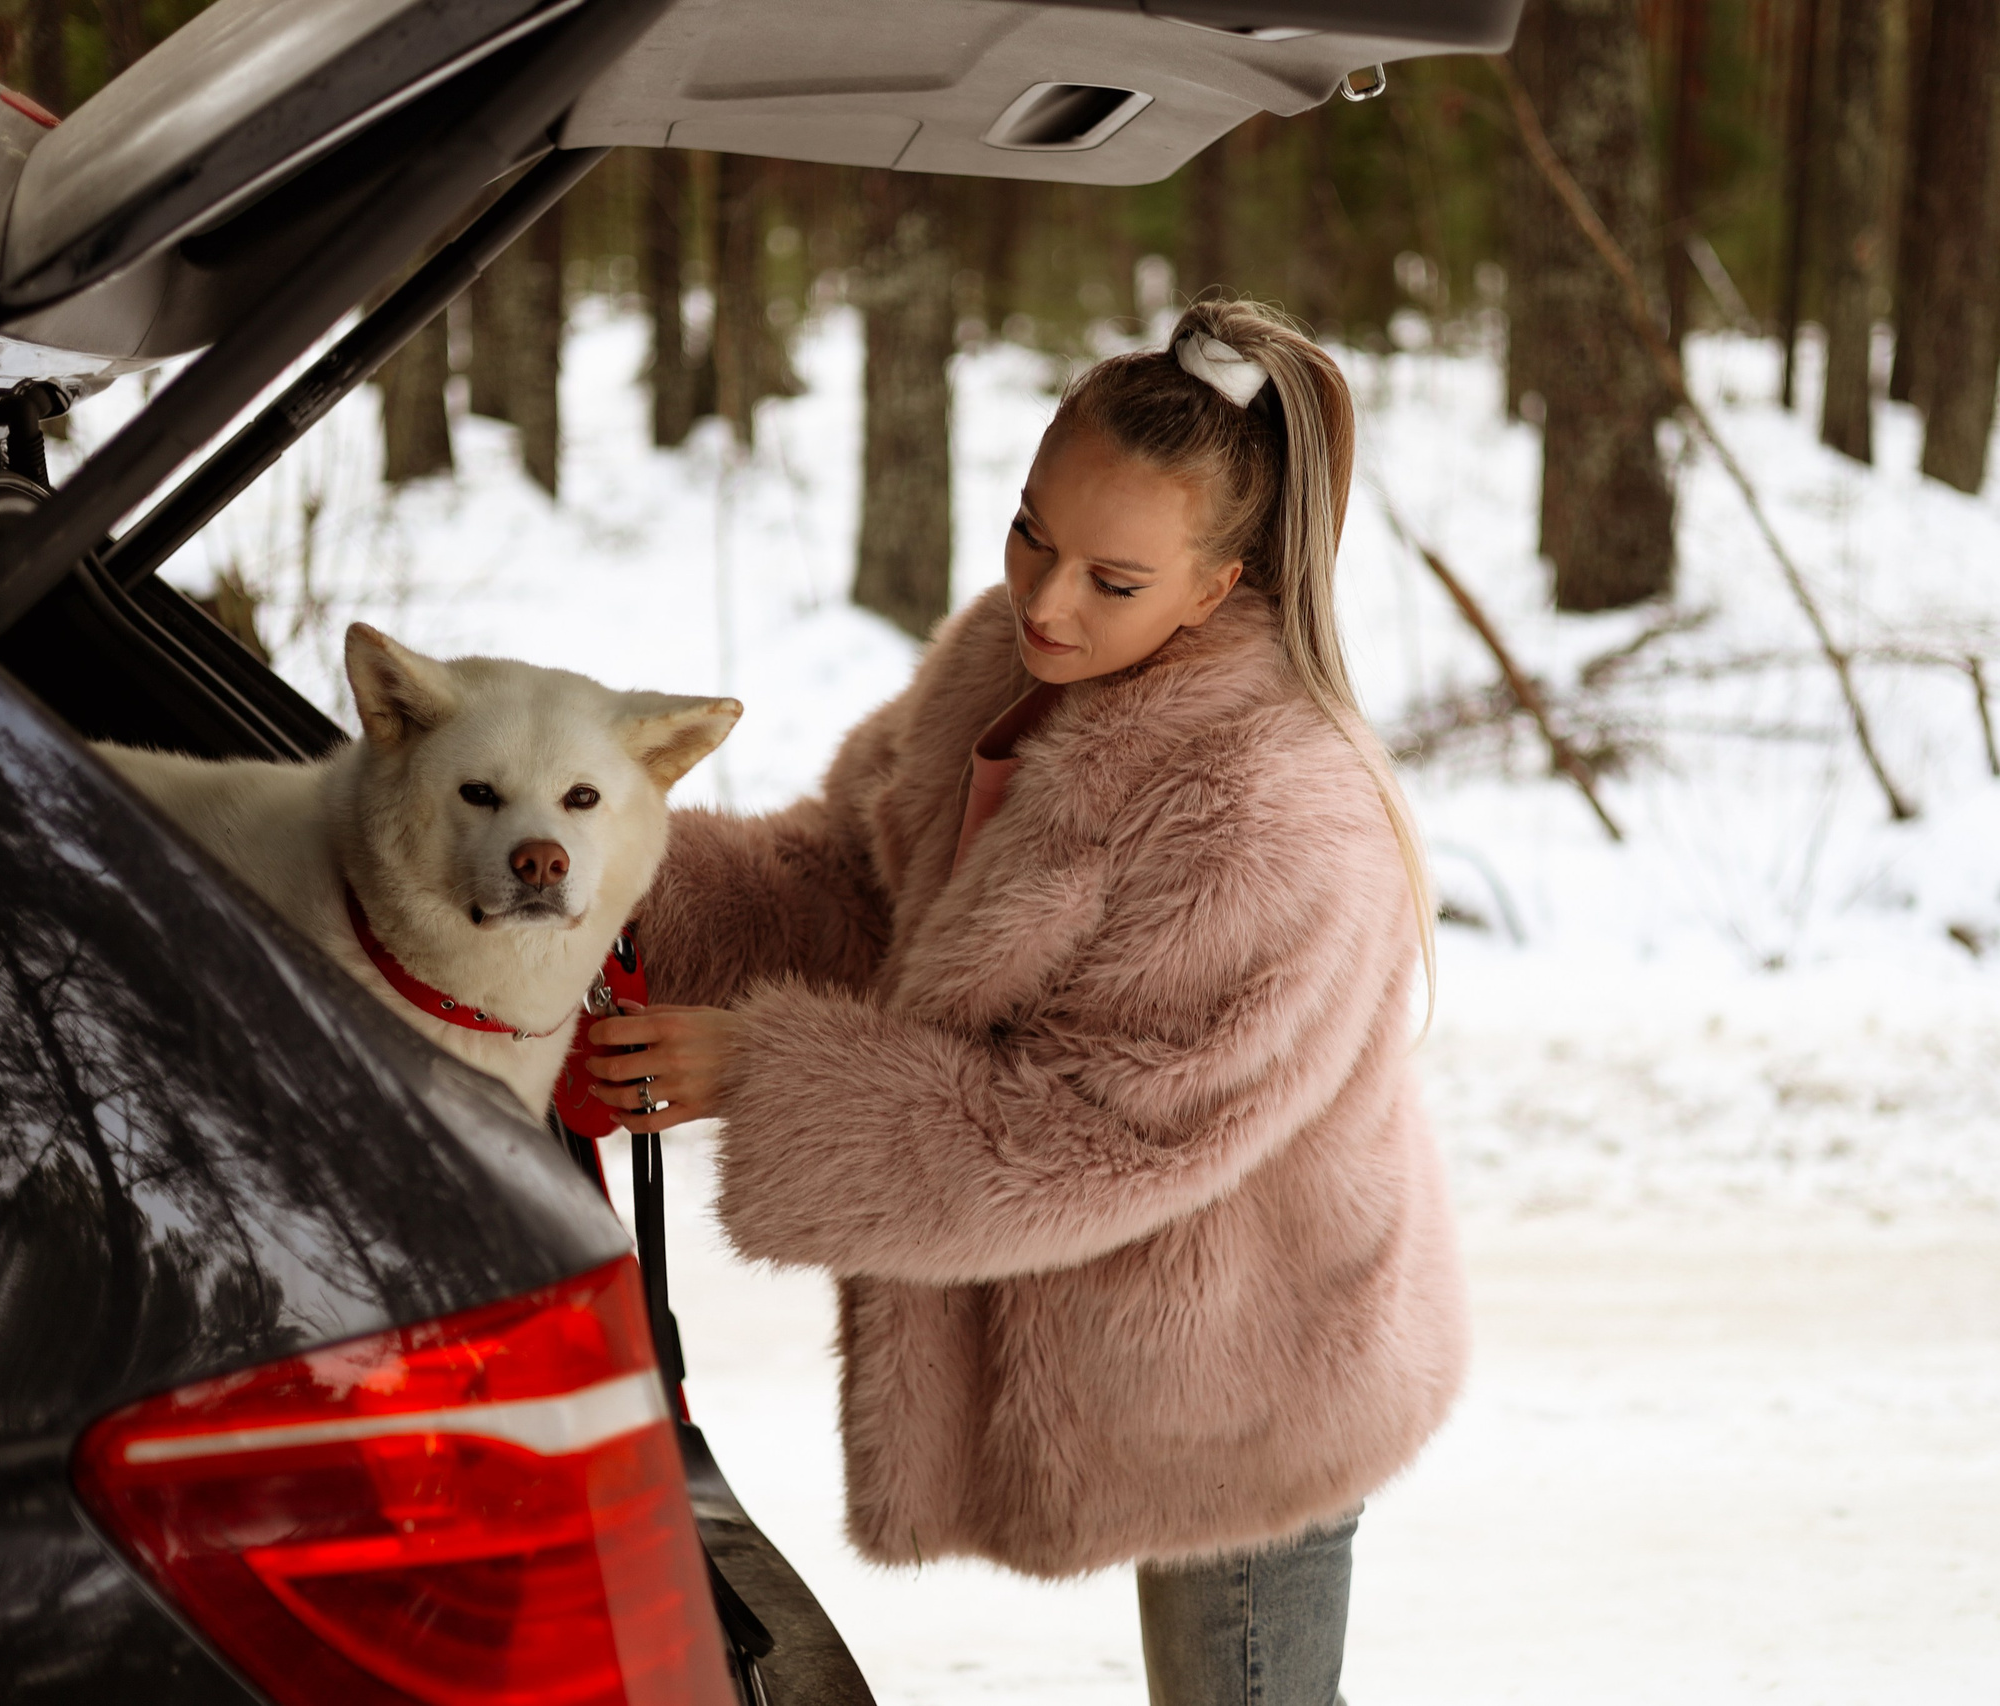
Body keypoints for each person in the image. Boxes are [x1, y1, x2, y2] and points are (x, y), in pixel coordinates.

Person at [589, 298, 1468, 1706]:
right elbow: (849, 889)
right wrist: (606, 876)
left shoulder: (1268, 812)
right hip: (1143, 1335)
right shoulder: (1006, 666)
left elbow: (1093, 1132)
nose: (1046, 601)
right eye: (1029, 535)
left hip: (1255, 1350)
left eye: (1111, 580)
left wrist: (764, 1070)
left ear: (1219, 584)